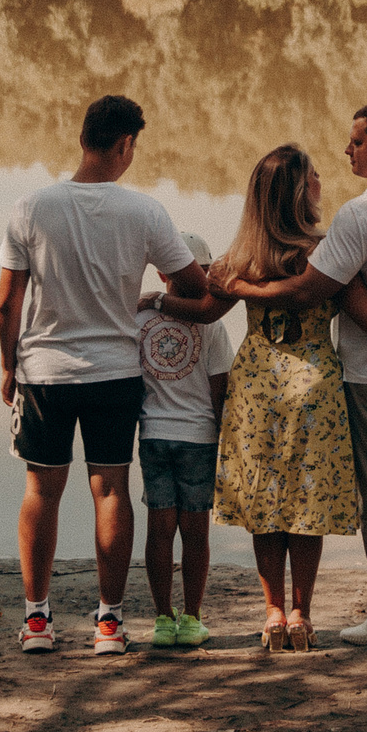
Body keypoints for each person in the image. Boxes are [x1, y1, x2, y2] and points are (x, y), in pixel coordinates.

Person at [218, 103, 367, 649]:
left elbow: (310, 290)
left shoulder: (361, 215)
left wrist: (243, 289)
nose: (346, 151)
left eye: (356, 142)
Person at [0, 93, 214, 658]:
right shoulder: (145, 212)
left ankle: (38, 622)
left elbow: (6, 304)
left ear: (82, 139)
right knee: (111, 490)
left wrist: (7, 366)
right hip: (115, 373)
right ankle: (109, 625)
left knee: (41, 490)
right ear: (124, 144)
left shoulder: (30, 208)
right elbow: (190, 285)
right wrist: (155, 296)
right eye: (133, 147)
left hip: (44, 370)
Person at [133, 232, 233, 648]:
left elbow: (130, 381)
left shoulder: (139, 319)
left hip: (154, 433)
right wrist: (225, 437)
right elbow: (219, 389)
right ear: (205, 273)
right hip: (198, 438)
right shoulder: (212, 326)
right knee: (195, 532)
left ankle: (162, 619)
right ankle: (192, 618)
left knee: (159, 529)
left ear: (162, 273)